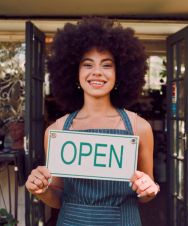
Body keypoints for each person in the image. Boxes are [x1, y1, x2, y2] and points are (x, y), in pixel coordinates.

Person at [25, 18, 159, 226]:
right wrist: (41, 190)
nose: (97, 72)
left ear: (120, 73)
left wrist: (149, 189)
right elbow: (57, 198)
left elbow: (145, 194)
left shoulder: (139, 128)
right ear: (74, 73)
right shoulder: (57, 130)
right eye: (88, 64)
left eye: (106, 65)